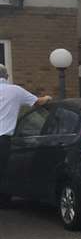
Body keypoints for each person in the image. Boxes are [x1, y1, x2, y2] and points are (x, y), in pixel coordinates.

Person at [0, 64, 52, 197]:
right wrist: (47, 98)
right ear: (6, 76)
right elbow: (38, 102)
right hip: (2, 140)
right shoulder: (15, 91)